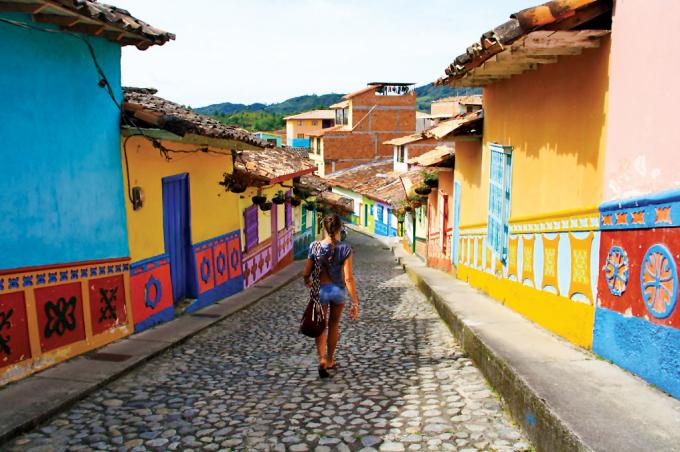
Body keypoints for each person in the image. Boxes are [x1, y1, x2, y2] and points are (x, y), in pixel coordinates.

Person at [303, 214, 360, 378]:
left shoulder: (314, 246)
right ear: (340, 229)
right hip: (338, 292)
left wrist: (307, 280)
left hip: (320, 291)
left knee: (321, 325)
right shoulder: (346, 249)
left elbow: (306, 271)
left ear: (324, 228)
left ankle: (321, 359)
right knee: (334, 325)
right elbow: (348, 277)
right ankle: (330, 359)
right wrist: (354, 302)